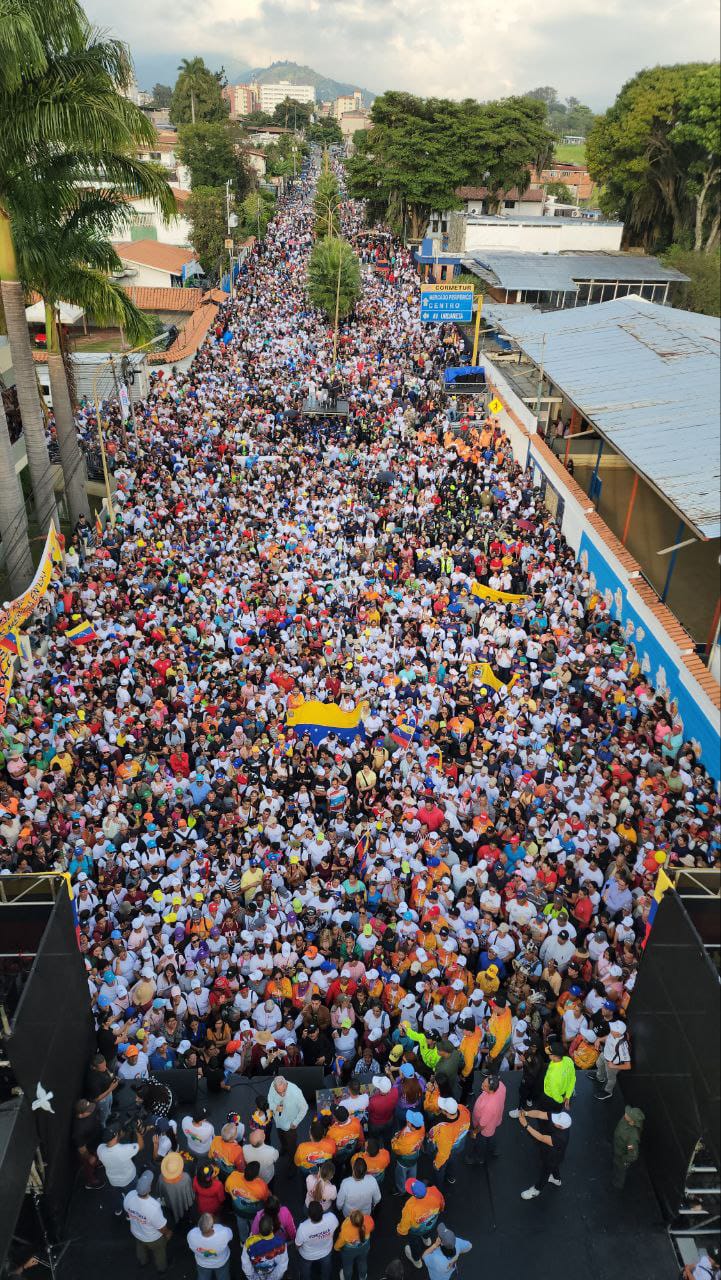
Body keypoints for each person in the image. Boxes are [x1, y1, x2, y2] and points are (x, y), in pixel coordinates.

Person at [123, 1169, 172, 1273]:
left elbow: (128, 1213)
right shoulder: (153, 1207)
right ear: (149, 1189)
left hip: (136, 1232)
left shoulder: (130, 1195)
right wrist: (168, 1233)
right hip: (153, 1238)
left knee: (140, 1247)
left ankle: (142, 1261)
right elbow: (161, 1227)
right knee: (159, 1253)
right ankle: (162, 1269)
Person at [517, 1109, 572, 1199]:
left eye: (556, 1122)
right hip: (554, 1154)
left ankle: (536, 1190)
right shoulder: (560, 1120)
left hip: (552, 1157)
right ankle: (557, 1179)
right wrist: (526, 1113)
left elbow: (541, 1137)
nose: (553, 1120)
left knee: (545, 1173)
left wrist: (526, 1125)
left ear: (561, 1126)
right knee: (554, 1167)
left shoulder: (560, 1138)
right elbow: (540, 1114)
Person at [397, 1179, 445, 1269]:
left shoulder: (410, 1206)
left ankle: (417, 1260)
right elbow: (442, 1204)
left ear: (414, 1195)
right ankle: (426, 1240)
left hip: (416, 1231)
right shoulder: (435, 1191)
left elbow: (405, 1223)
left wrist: (400, 1231)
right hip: (431, 1223)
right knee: (428, 1229)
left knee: (414, 1244)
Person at [97, 1123, 143, 1214]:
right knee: (132, 1196)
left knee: (117, 1196)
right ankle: (130, 1213)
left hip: (113, 1181)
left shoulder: (100, 1149)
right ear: (116, 1136)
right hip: (129, 1179)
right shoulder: (125, 1150)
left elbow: (109, 1144)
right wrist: (138, 1133)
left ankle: (118, 1209)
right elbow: (141, 1146)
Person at [294, 1200, 339, 1280]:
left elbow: (297, 1245)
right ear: (322, 1211)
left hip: (307, 1255)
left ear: (309, 1215)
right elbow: (335, 1228)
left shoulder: (303, 1228)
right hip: (326, 1251)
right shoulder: (331, 1217)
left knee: (305, 1272)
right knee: (326, 1271)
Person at [466, 1074, 505, 1166]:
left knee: (481, 1143)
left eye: (484, 1085)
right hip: (494, 1121)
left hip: (484, 1129)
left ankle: (480, 1158)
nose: (482, 1084)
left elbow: (482, 1125)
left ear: (491, 1090)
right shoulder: (501, 1085)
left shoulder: (490, 1106)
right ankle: (494, 1150)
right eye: (484, 1081)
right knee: (492, 1137)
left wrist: (475, 1132)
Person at [267, 1076, 309, 1161]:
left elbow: (305, 1108)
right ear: (274, 1087)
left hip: (289, 1125)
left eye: (283, 1091)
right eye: (279, 1092)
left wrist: (295, 1122)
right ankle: (284, 1148)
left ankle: (292, 1161)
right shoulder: (273, 1085)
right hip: (278, 1122)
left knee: (291, 1145)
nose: (282, 1094)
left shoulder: (296, 1092)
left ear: (286, 1085)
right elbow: (270, 1099)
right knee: (281, 1137)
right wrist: (275, 1107)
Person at [242, 1210, 290, 1280]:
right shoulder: (281, 1243)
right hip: (273, 1274)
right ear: (272, 1228)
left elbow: (245, 1263)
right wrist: (273, 1278)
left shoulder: (249, 1242)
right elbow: (282, 1265)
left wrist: (253, 1277)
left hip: (257, 1274)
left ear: (259, 1228)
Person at [187, 1213, 234, 1280]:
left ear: (199, 1225)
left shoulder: (191, 1234)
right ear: (212, 1226)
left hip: (202, 1263)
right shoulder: (224, 1232)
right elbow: (230, 1237)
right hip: (221, 1262)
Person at [593, 1021, 632, 1101]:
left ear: (618, 1033)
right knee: (599, 1064)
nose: (611, 1029)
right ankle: (600, 1077)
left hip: (612, 1063)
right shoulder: (613, 1034)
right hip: (605, 1054)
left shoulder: (622, 1046)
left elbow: (628, 1066)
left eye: (613, 1029)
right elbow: (608, 1037)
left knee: (611, 1078)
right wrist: (599, 1039)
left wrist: (614, 1066)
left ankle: (608, 1092)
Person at [72, 1098, 105, 1189]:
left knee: (96, 1158)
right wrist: (90, 1157)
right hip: (89, 1150)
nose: (92, 1110)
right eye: (89, 1110)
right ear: (81, 1114)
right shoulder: (78, 1130)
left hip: (96, 1143)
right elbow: (81, 1149)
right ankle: (91, 1182)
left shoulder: (92, 1109)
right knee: (88, 1166)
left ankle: (97, 1163)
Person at [334, 1208, 374, 1280]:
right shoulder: (368, 1219)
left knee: (348, 1265)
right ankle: (362, 1277)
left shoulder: (346, 1228)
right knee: (363, 1261)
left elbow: (340, 1242)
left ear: (351, 1221)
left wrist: (336, 1248)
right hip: (365, 1246)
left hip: (349, 1251)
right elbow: (372, 1228)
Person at [612, 1106, 645, 1188]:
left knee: (620, 1171)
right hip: (617, 1150)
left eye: (628, 1114)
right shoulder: (624, 1119)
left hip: (621, 1157)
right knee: (616, 1166)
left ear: (632, 1121)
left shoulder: (632, 1137)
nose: (626, 1114)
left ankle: (617, 1184)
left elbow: (633, 1155)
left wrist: (623, 1159)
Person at [159, 1151, 194, 1223]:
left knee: (172, 1210)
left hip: (170, 1201)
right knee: (186, 1212)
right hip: (184, 1202)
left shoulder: (161, 1177)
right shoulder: (185, 1178)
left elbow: (160, 1191)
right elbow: (189, 1192)